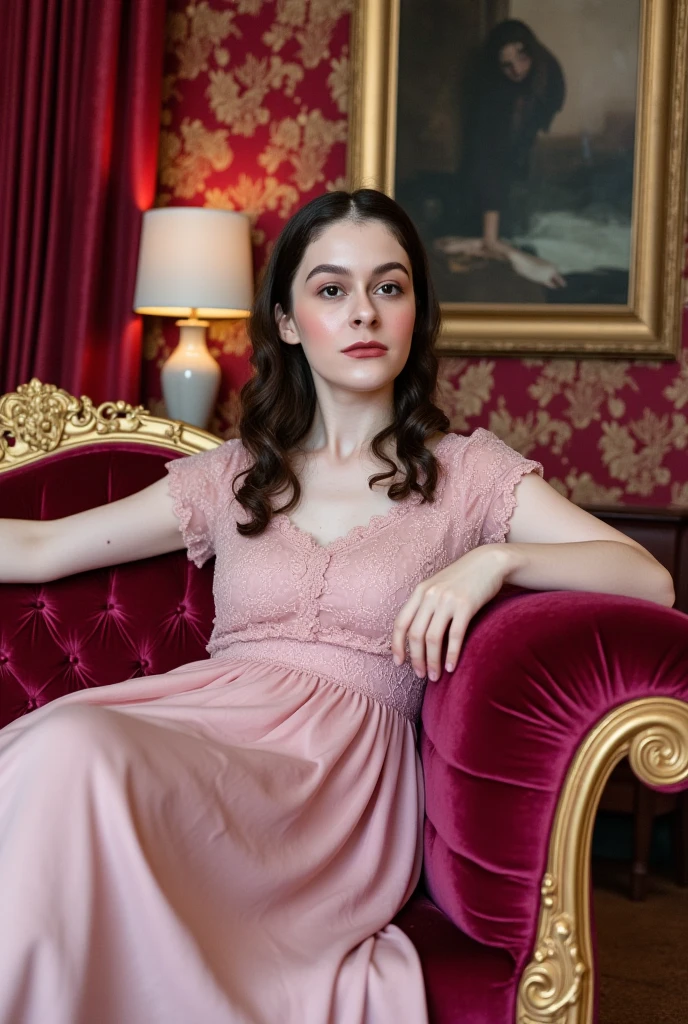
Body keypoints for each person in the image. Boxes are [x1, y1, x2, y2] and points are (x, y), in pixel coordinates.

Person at [0, 189, 673, 1024]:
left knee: (76, 748)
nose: (363, 312)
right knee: (63, 748)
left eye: (388, 288)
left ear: (415, 312)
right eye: (331, 289)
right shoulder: (234, 472)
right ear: (286, 321)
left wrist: (497, 561)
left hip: (334, 789)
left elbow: (648, 578)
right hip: (207, 736)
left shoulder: (470, 473)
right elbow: (36, 546)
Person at [436, 19, 567, 289]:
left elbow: (537, 125)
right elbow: (489, 158)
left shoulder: (549, 73)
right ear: (497, 66)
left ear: (531, 52)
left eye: (522, 57)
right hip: (489, 167)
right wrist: (491, 239)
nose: (517, 69)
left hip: (525, 150)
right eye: (507, 64)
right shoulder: (492, 97)